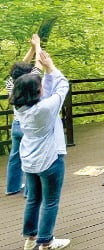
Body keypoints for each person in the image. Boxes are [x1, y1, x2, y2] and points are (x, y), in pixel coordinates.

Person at [10, 50, 70, 249]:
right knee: (50, 201)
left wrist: (42, 67)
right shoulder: (44, 109)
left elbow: (37, 86)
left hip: (29, 159)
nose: (42, 87)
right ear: (36, 92)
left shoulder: (20, 106)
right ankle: (46, 241)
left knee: (33, 199)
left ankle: (30, 237)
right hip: (49, 159)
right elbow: (62, 87)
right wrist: (50, 66)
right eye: (39, 86)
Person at [5, 34, 42, 196]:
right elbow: (38, 65)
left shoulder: (10, 82)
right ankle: (29, 190)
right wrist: (38, 45)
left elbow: (19, 68)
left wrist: (32, 49)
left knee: (15, 156)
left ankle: (12, 187)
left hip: (16, 125)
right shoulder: (31, 82)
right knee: (31, 155)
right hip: (30, 125)